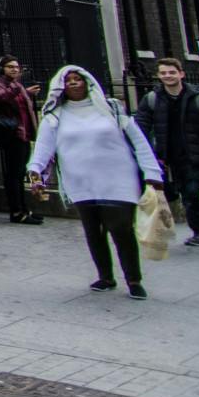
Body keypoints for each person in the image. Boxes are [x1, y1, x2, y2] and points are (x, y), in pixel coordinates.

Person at [26, 65, 165, 299]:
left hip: (118, 179)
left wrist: (152, 173)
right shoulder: (54, 117)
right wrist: (35, 172)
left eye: (77, 78)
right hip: (81, 181)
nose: (73, 82)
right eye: (68, 80)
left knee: (121, 228)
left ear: (87, 82)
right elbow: (43, 148)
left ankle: (133, 279)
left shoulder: (111, 109)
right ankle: (105, 277)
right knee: (93, 230)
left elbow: (139, 141)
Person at [133, 57, 199, 247]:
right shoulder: (152, 99)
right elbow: (140, 128)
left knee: (192, 192)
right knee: (181, 195)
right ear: (158, 76)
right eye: (163, 73)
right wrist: (149, 154)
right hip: (168, 159)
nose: (168, 76)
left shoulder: (196, 97)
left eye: (172, 72)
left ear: (181, 74)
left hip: (195, 156)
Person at [0, 56, 42, 223]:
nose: (15, 69)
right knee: (13, 174)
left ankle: (24, 209)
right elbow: (1, 98)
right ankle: (17, 212)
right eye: (10, 67)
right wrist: (18, 89)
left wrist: (27, 93)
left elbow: (18, 104)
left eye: (16, 67)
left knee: (21, 173)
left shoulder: (17, 85)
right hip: (11, 135)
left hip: (24, 133)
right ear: (2, 69)